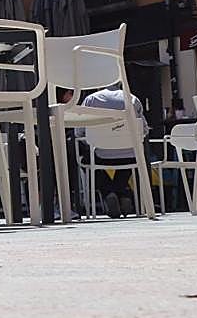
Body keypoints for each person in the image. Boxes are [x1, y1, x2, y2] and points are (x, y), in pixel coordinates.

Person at [60, 85, 148, 218]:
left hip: (100, 153)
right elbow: (144, 130)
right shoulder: (133, 99)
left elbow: (79, 132)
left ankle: (108, 191)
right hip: (130, 154)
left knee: (85, 158)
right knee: (129, 157)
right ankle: (122, 191)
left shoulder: (91, 99)